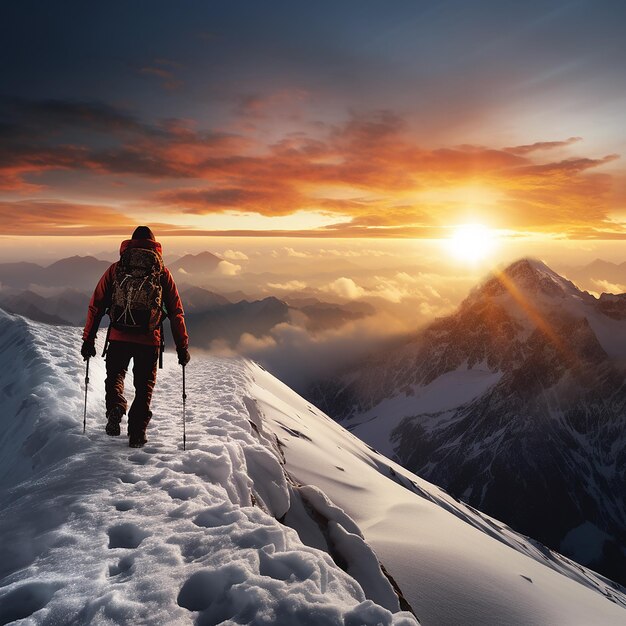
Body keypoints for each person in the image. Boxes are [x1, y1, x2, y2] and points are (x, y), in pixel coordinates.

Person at [81, 226, 190, 448]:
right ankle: (137, 433)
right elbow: (176, 311)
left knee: (115, 377)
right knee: (144, 386)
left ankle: (117, 406)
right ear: (154, 245)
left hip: (119, 336)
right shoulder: (161, 272)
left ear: (130, 243)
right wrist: (182, 346)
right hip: (149, 339)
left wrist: (88, 340)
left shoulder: (116, 269)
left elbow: (97, 305)